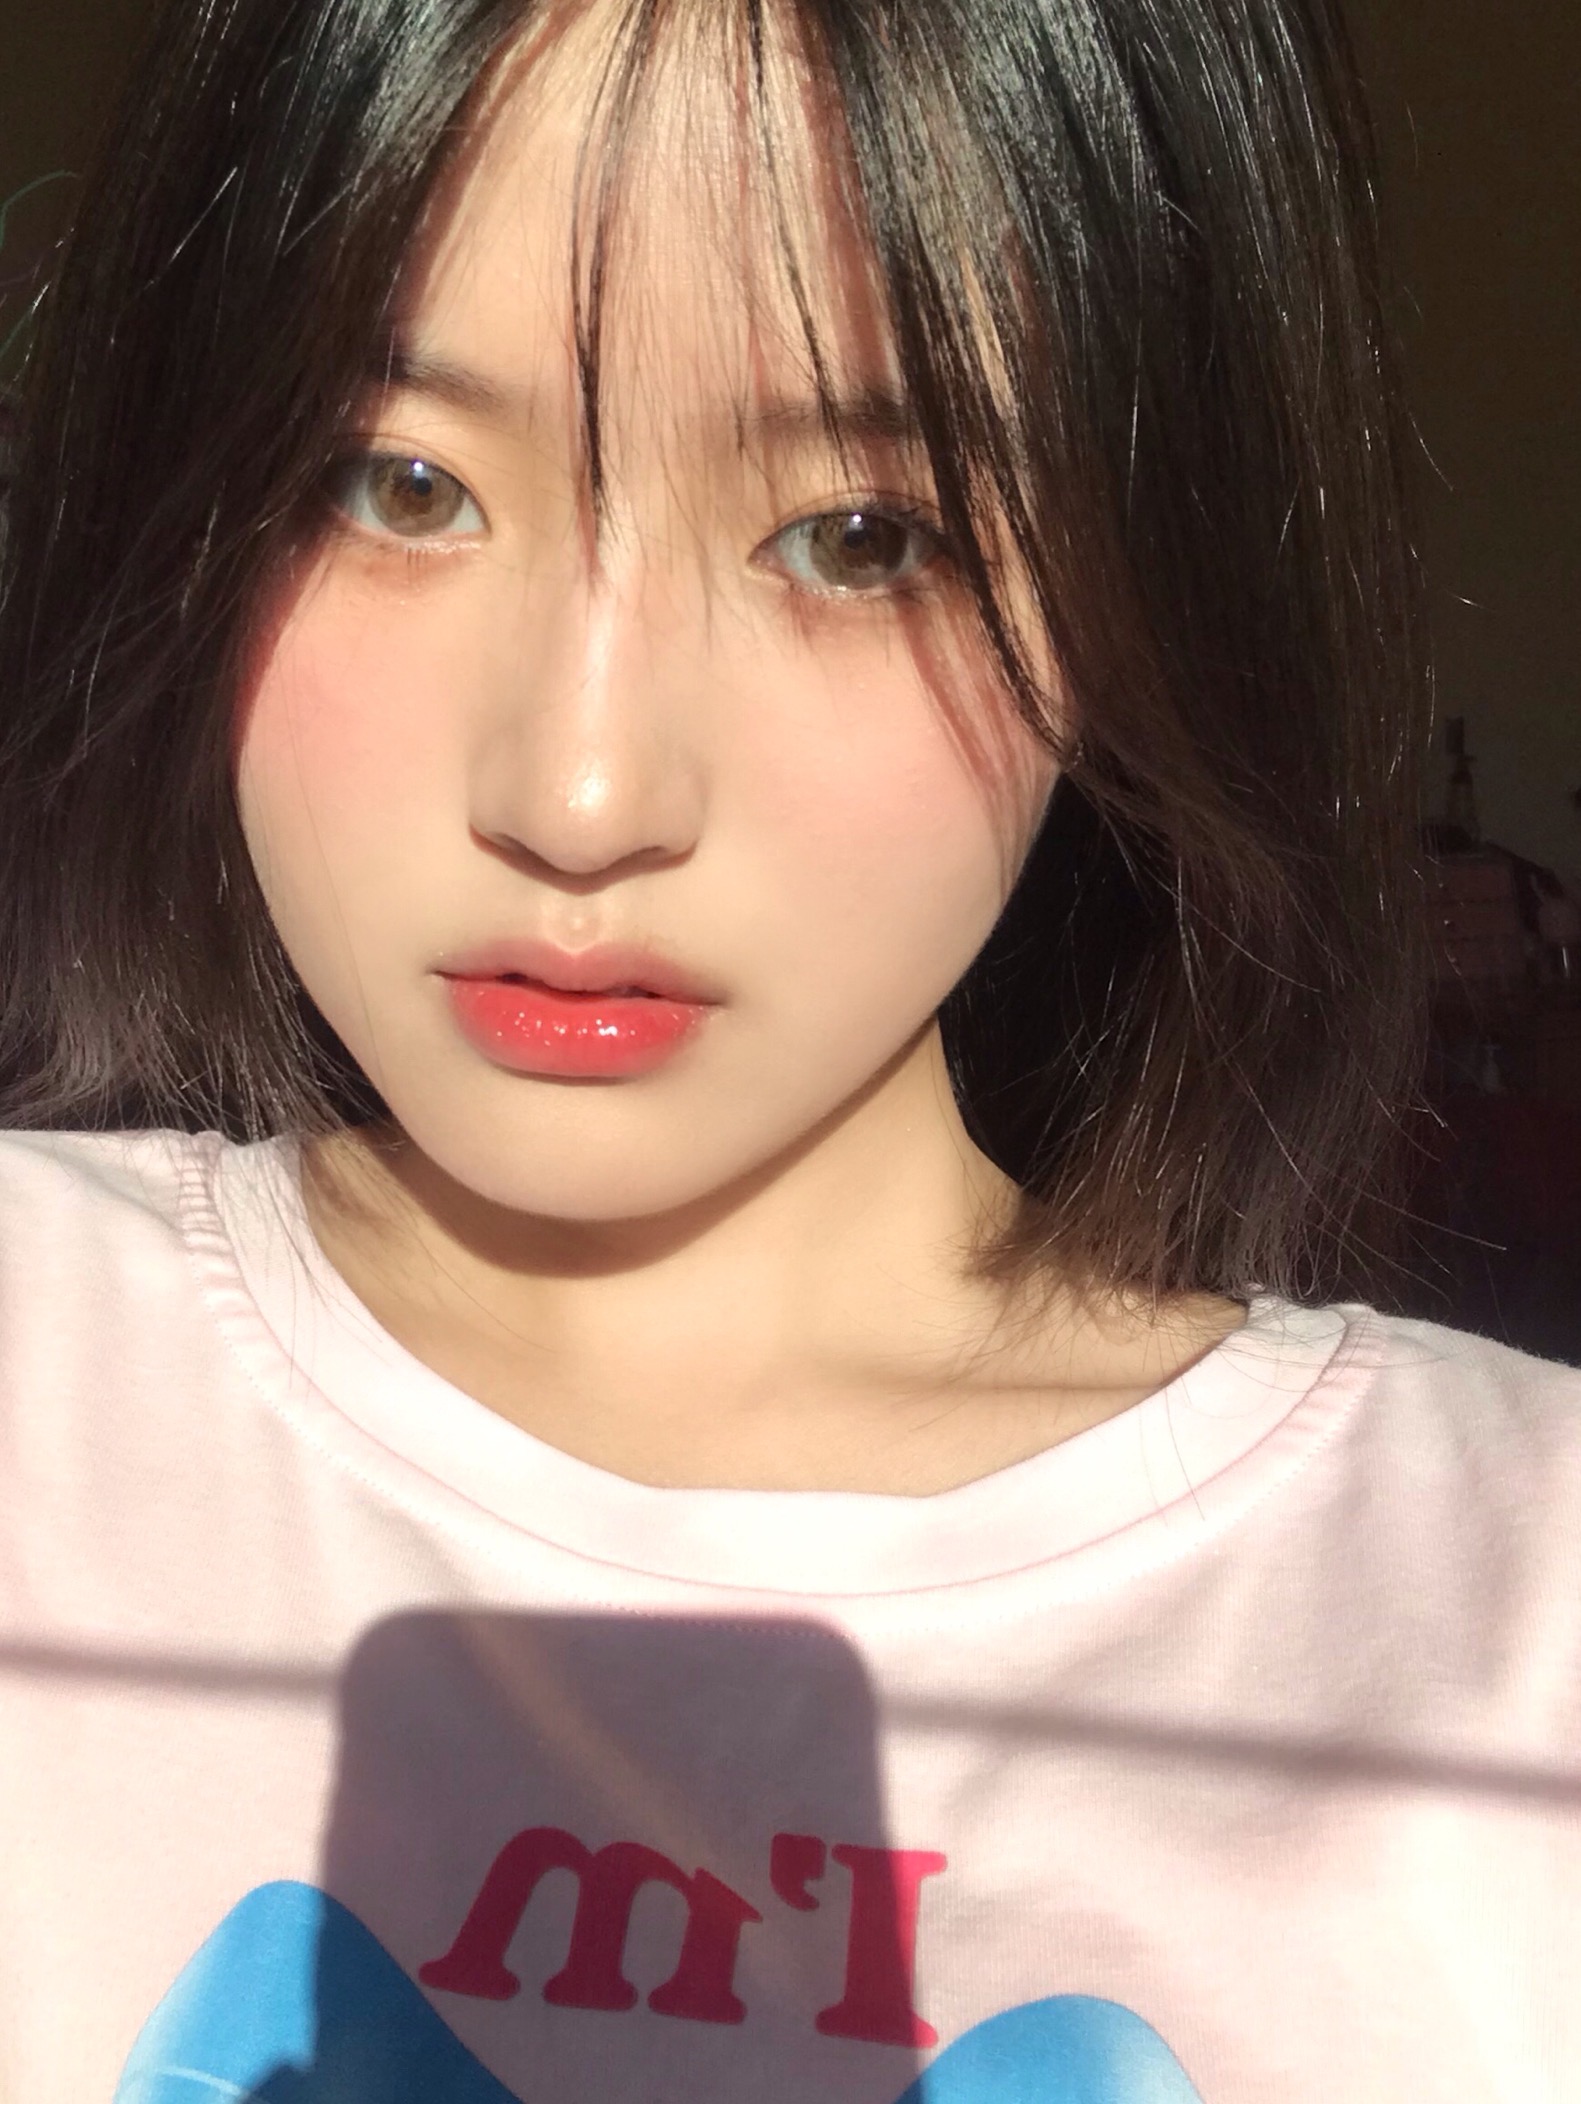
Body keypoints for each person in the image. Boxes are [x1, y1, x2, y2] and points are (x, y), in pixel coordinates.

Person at [0, 0, 1576, 2096]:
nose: (578, 793)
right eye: (401, 484)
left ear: (1136, 587)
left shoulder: (1519, 1612)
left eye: (858, 536)